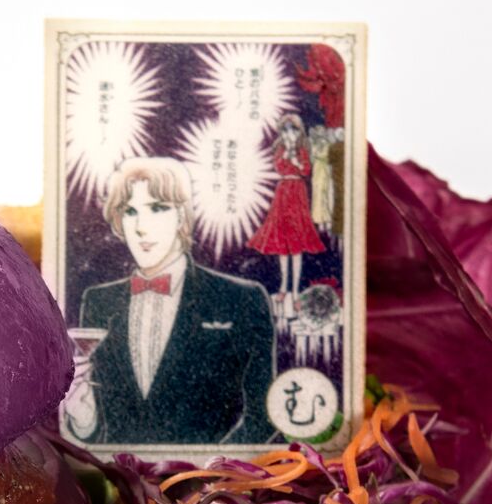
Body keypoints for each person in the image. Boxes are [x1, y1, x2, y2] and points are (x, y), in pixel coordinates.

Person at [62, 156, 276, 448]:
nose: (141, 227)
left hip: (215, 475)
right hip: (119, 476)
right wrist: (84, 421)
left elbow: (263, 417)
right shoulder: (99, 301)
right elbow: (103, 431)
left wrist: (211, 468)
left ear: (182, 216)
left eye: (158, 208)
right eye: (130, 211)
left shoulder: (241, 298)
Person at [246, 113, 326, 318]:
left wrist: (296, 160)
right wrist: (286, 155)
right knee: (282, 242)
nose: (289, 134)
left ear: (299, 132)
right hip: (284, 191)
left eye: (293, 130)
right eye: (285, 130)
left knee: (297, 244)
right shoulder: (280, 149)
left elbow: (306, 170)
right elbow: (279, 168)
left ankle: (296, 291)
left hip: (297, 191)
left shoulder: (302, 150)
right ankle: (283, 286)